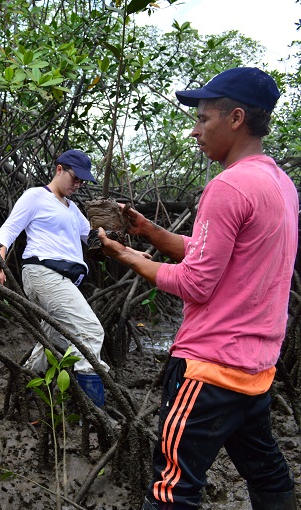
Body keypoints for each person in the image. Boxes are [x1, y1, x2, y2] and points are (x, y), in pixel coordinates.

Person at [97, 67, 298, 509]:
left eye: (203, 119)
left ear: (236, 118)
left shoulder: (227, 186)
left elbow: (197, 282)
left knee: (173, 489)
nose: (194, 131)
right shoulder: (280, 185)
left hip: (208, 370)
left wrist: (130, 258)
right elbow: (219, 255)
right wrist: (151, 233)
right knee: (267, 472)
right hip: (255, 372)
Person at [0, 149, 110, 407]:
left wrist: (133, 249)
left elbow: (96, 239)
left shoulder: (73, 209)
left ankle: (24, 391)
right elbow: (10, 227)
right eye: (75, 178)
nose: (78, 185)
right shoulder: (36, 196)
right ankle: (94, 415)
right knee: (90, 332)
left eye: (82, 182)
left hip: (61, 279)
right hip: (44, 273)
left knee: (53, 340)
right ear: (59, 169)